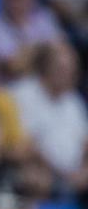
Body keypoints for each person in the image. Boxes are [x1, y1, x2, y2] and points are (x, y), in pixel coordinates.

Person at [10, 42, 88, 191]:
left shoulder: (73, 100)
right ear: (45, 68)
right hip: (42, 175)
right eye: (62, 70)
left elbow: (85, 142)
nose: (71, 76)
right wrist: (62, 173)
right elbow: (24, 144)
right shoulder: (23, 94)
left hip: (74, 177)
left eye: (73, 71)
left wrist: (84, 171)